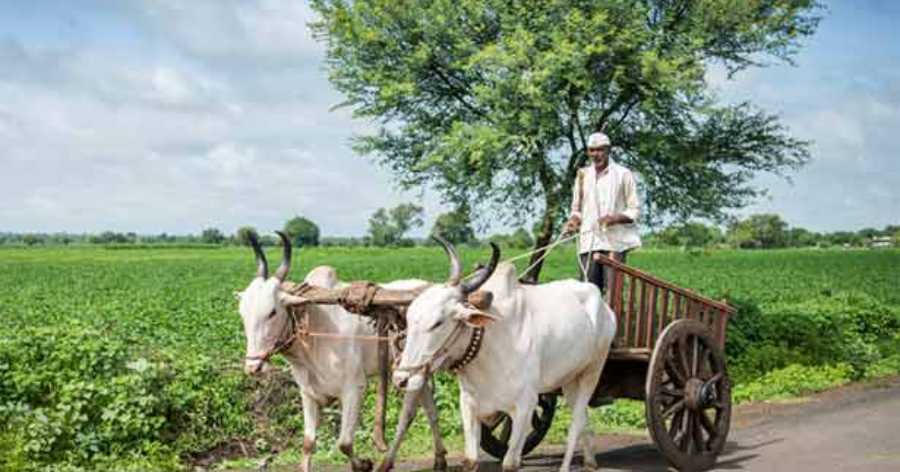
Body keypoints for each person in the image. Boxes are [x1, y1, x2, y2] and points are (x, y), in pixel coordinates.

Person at [564, 131, 641, 294]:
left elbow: (634, 210)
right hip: (588, 242)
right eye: (592, 150)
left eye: (600, 150)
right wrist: (573, 222)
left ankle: (613, 319)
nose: (596, 154)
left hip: (614, 243)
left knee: (613, 293)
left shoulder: (623, 174)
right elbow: (576, 210)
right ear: (588, 152)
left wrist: (614, 218)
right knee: (588, 293)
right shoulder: (582, 175)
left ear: (608, 150)